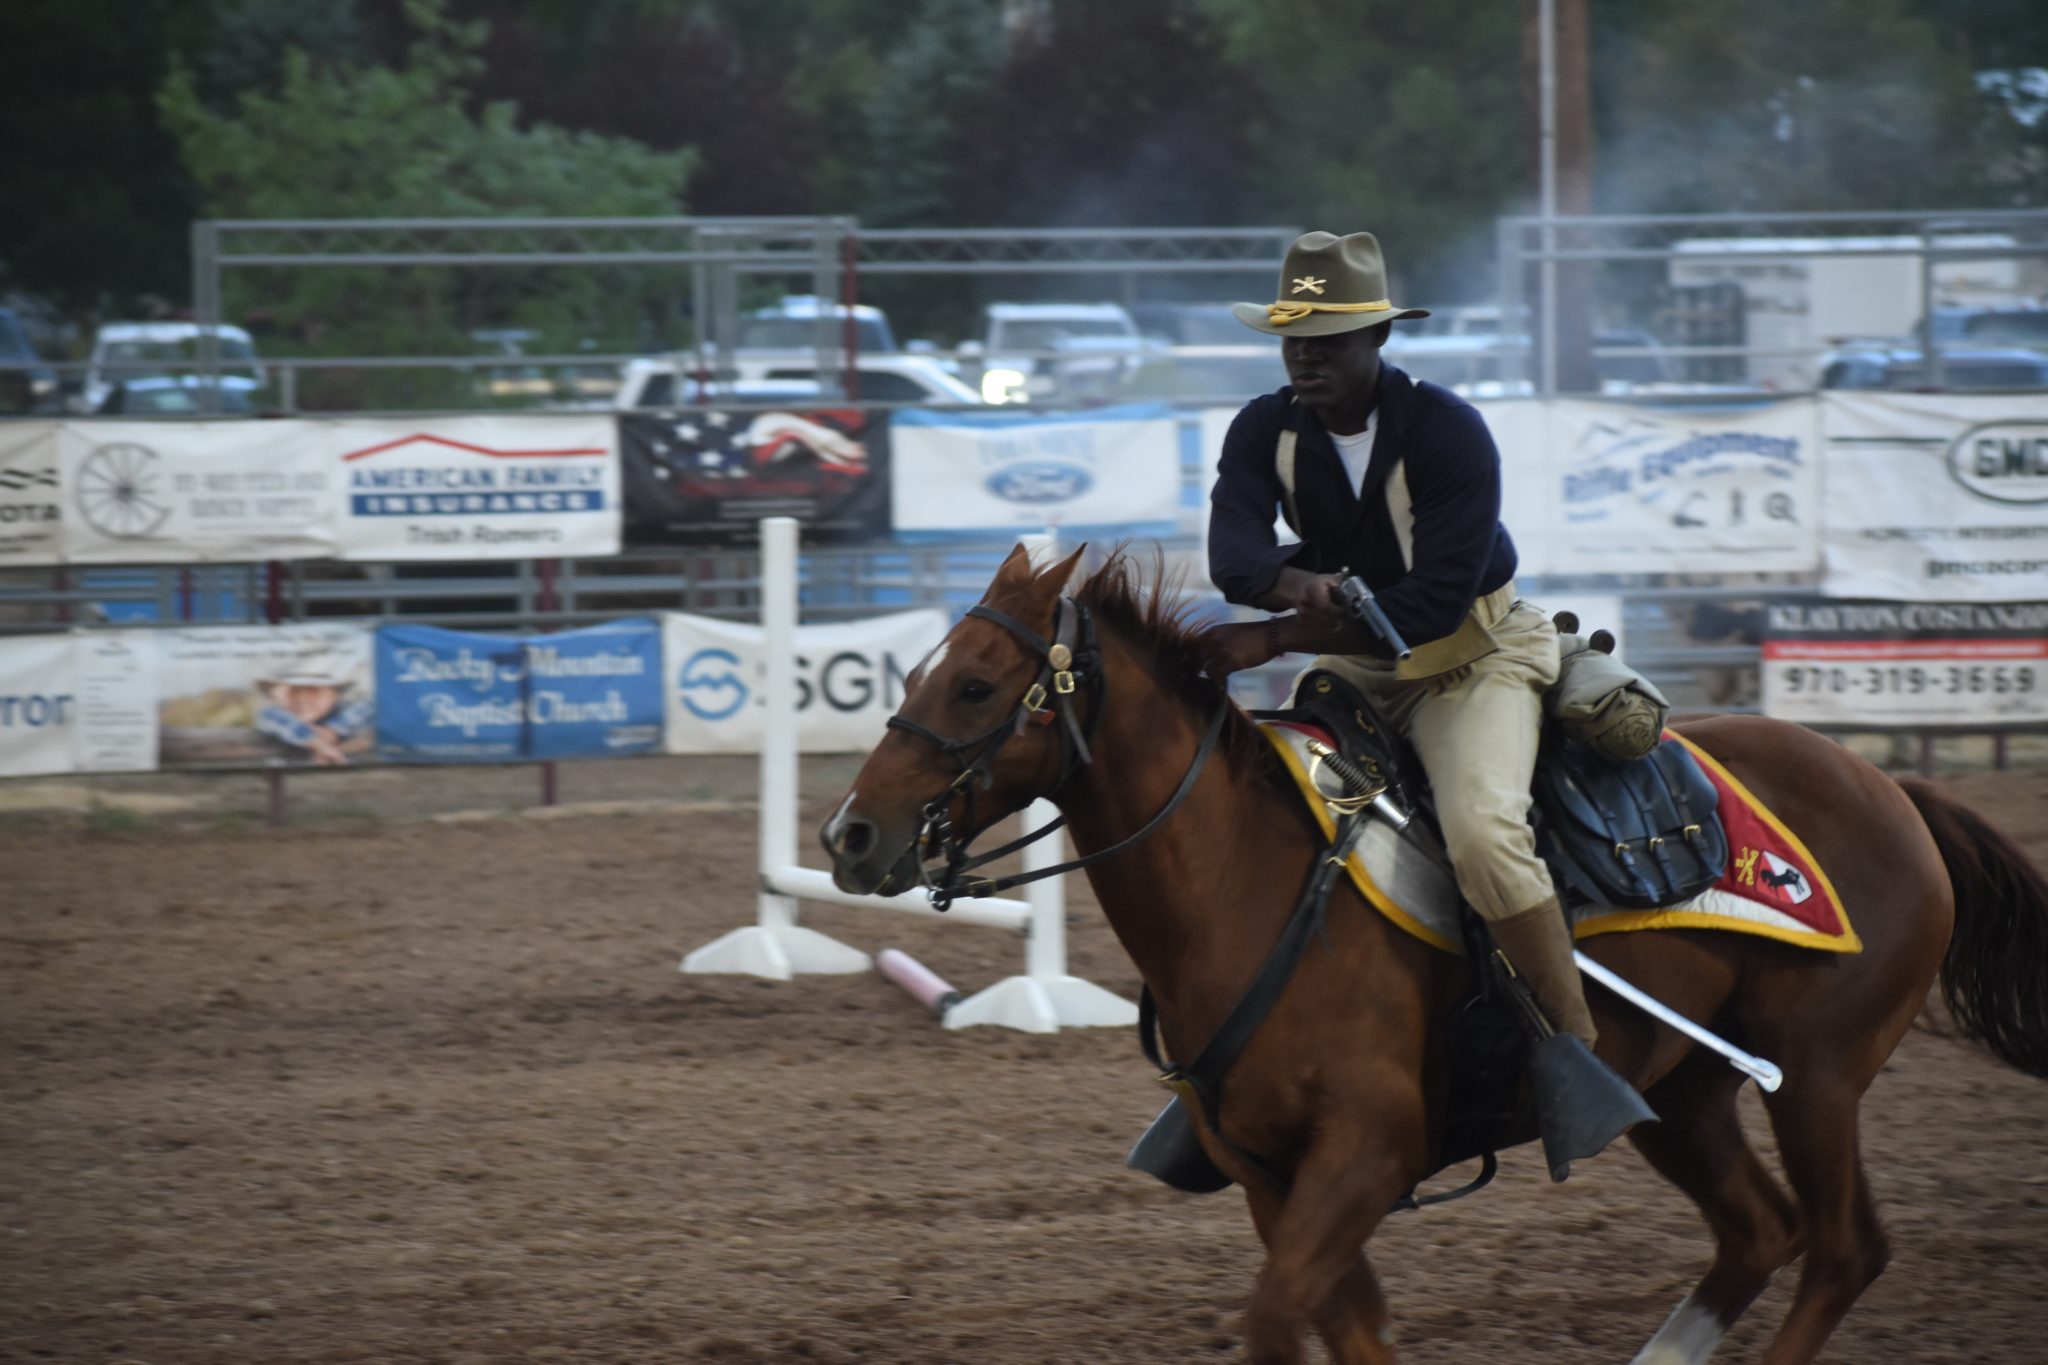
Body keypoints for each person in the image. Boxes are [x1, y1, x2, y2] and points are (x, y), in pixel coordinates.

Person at [1198, 231, 1643, 1156]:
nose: (1305, 353)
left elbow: (1435, 602)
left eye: (1328, 335)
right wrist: (1294, 587)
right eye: (1294, 335)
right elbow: (1232, 555)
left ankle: (1574, 1053)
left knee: (1483, 833)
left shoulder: (1448, 432)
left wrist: (1276, 631)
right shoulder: (1260, 428)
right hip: (1358, 665)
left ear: (1377, 340)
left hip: (1473, 656)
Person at [255, 653, 372, 766]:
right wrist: (319, 744)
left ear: (335, 695)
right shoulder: (273, 715)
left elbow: (370, 708)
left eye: (314, 690)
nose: (303, 699)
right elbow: (273, 718)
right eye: (294, 691)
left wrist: (333, 731)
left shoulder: (343, 711)